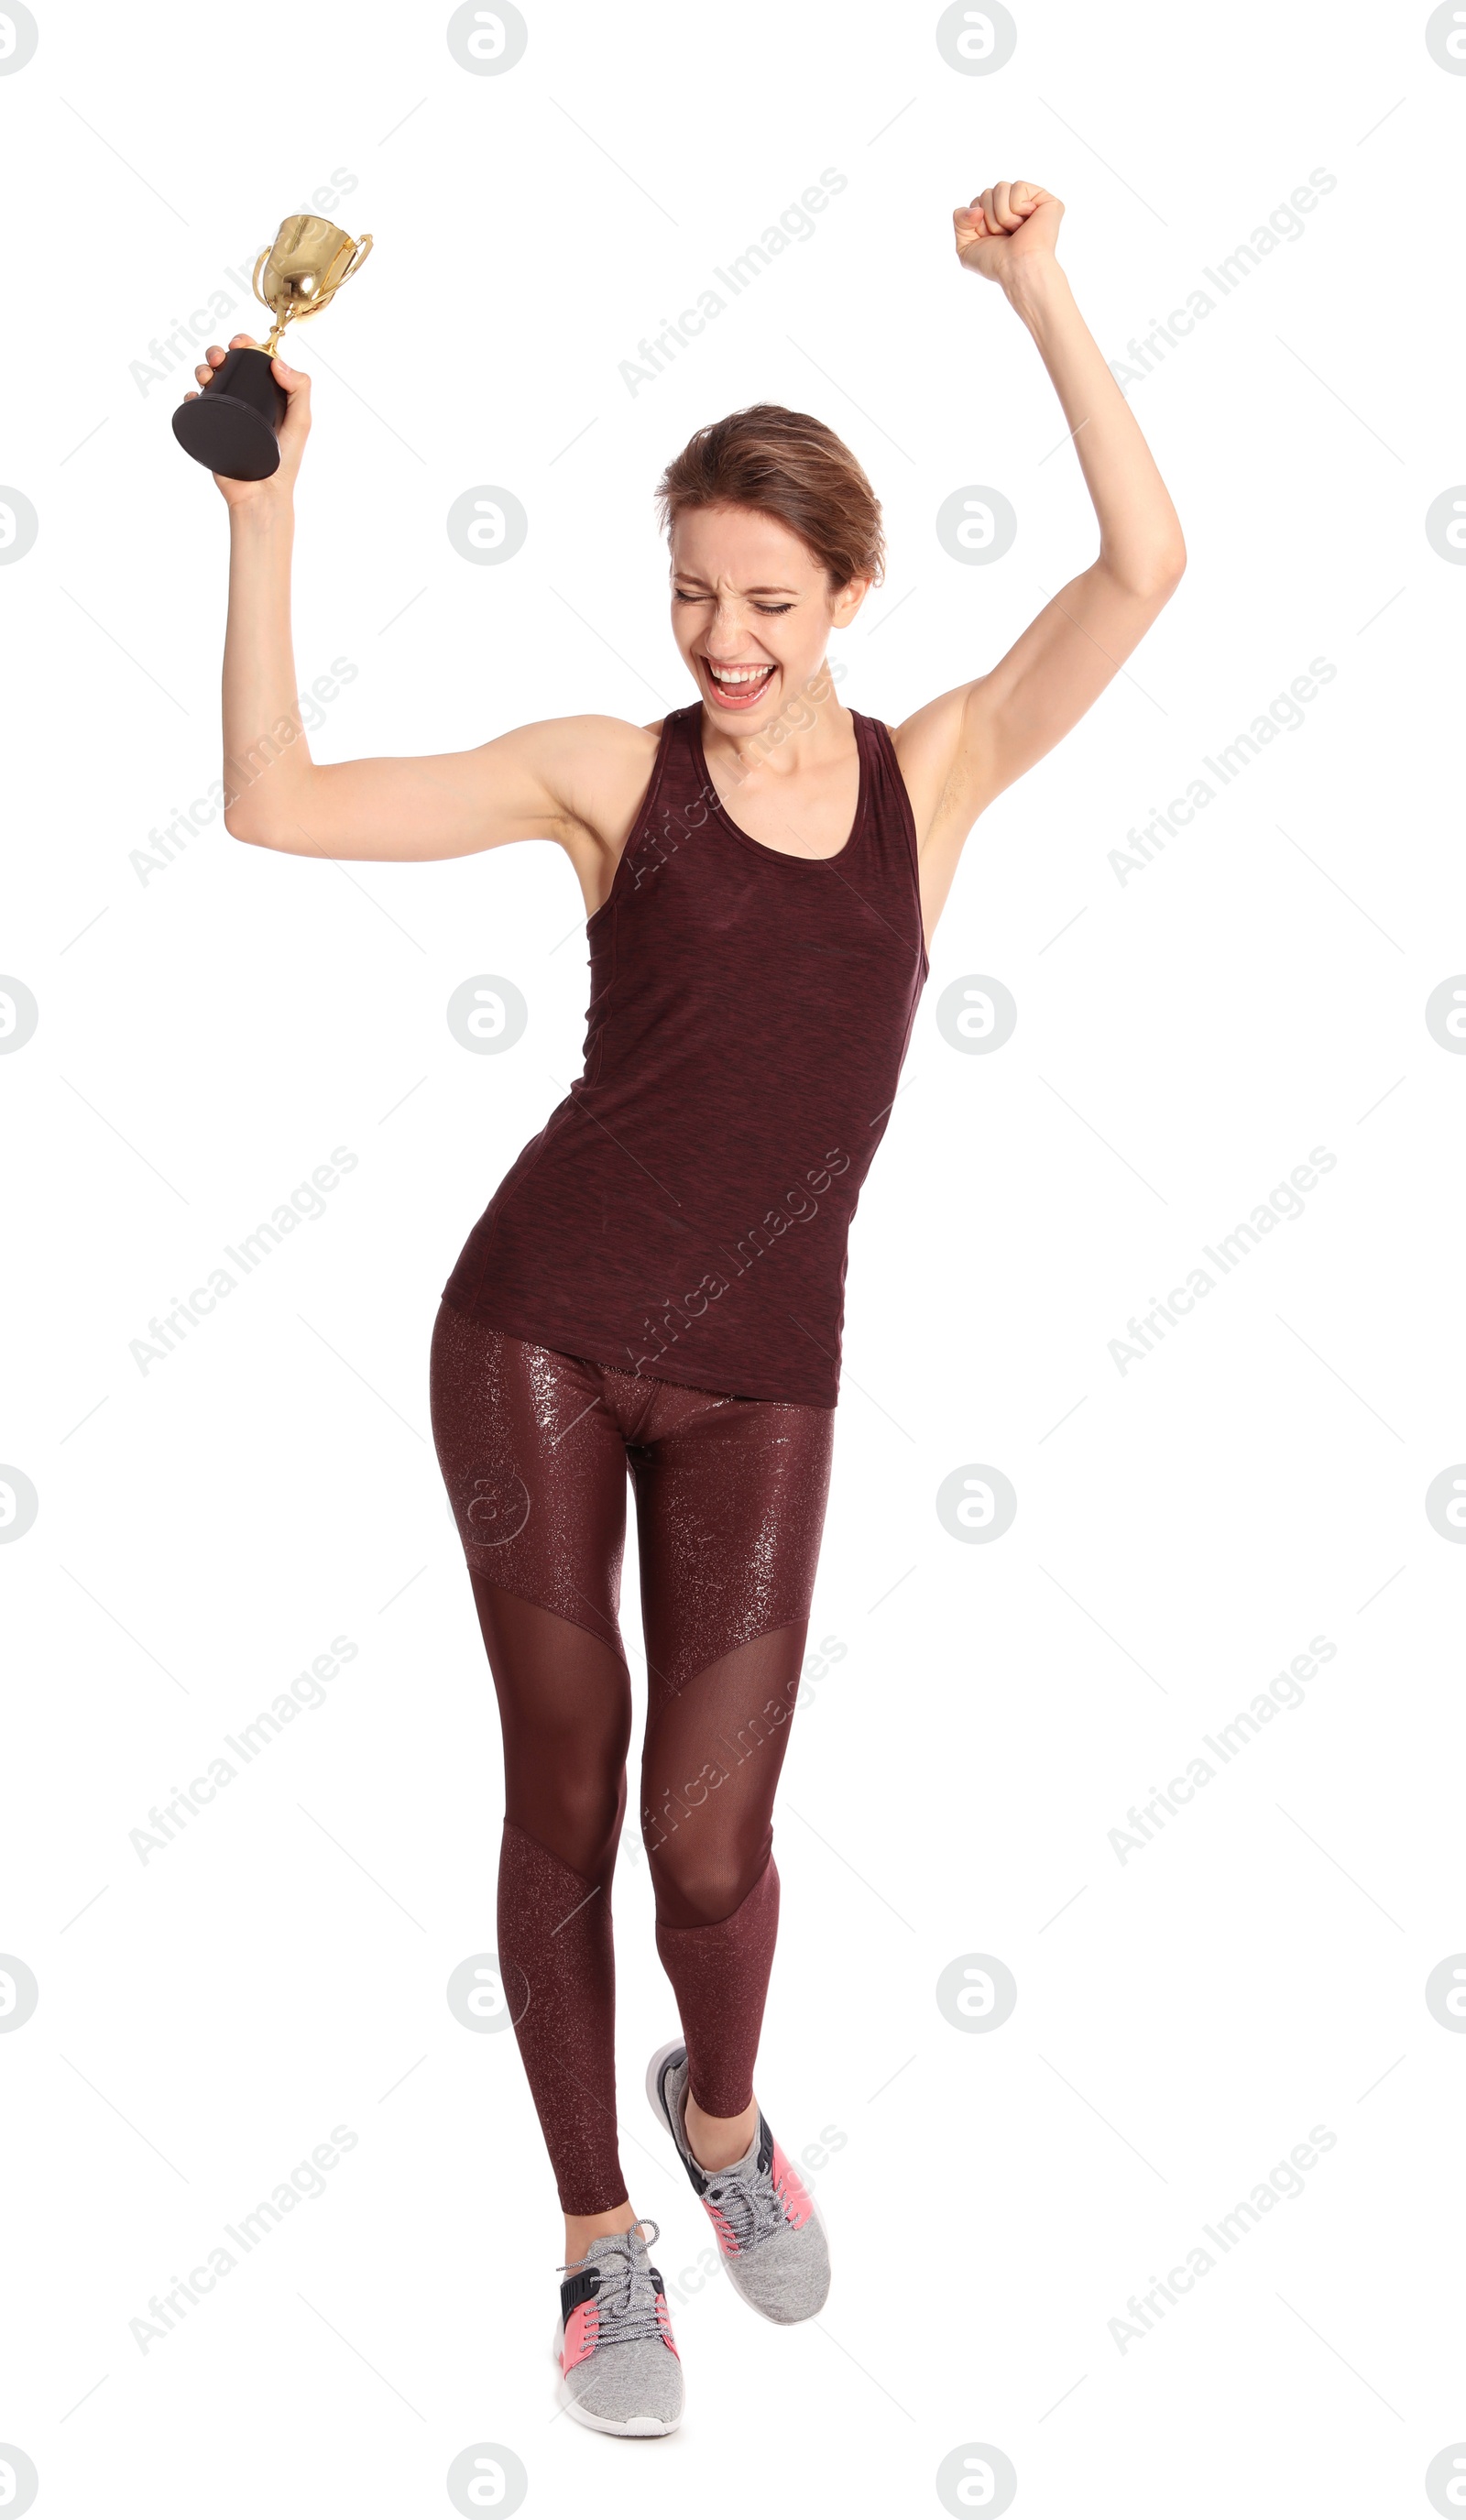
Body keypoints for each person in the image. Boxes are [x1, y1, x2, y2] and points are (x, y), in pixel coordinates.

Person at [194, 180, 1184, 2436]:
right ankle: (592, 2244)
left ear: (846, 594)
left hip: (763, 1379)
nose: (721, 638)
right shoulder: (601, 771)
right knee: (570, 1792)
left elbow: (1140, 571)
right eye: (688, 593)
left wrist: (1037, 291)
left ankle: (716, 2130)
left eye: (764, 599)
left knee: (714, 1835)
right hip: (534, 1328)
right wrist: (264, 513)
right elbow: (271, 802)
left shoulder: (933, 778)